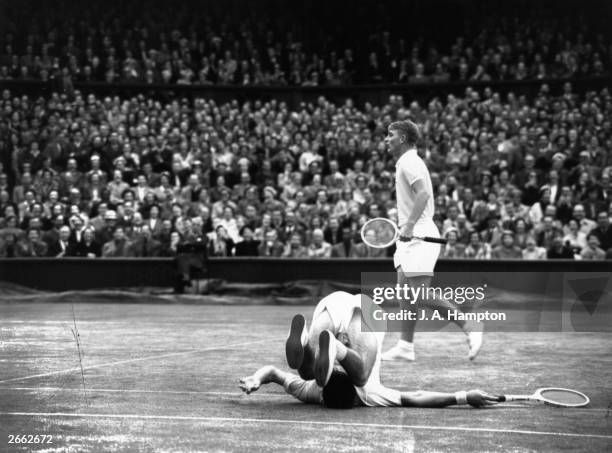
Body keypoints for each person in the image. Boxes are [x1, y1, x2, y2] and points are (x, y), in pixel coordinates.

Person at [240, 291, 498, 409]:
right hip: (347, 310)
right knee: (331, 374)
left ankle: (315, 347)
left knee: (319, 374)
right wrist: (258, 379)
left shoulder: (364, 396)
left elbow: (417, 397)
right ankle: (325, 348)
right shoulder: (315, 393)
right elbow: (274, 373)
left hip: (346, 310)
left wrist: (462, 396)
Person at [381, 120, 482, 362]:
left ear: (403, 138)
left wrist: (409, 224)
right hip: (411, 235)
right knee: (405, 294)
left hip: (419, 232)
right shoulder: (405, 162)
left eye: (390, 135)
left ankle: (469, 325)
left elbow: (424, 194)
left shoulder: (410, 161)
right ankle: (405, 347)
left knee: (420, 294)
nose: (386, 139)